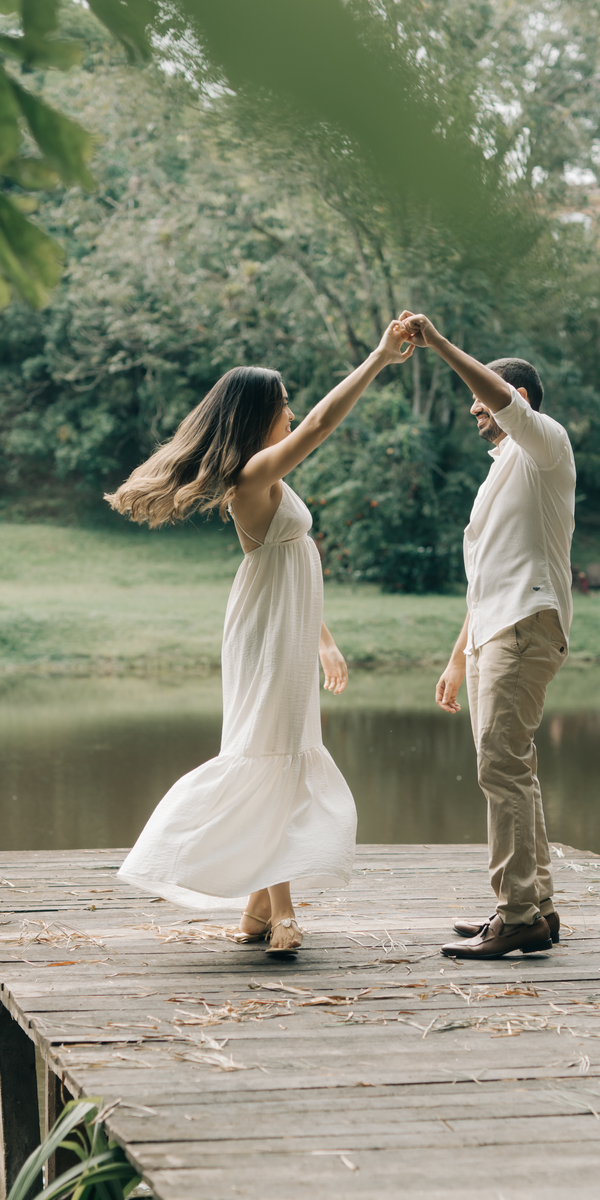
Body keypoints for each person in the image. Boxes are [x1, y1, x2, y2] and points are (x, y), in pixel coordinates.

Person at [107, 324, 414, 954]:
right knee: (270, 755)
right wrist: (379, 358)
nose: (294, 415)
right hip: (265, 634)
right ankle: (282, 913)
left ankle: (256, 910)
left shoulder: (265, 478)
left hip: (287, 629)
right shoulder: (252, 475)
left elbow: (291, 563)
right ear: (259, 416)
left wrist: (323, 638)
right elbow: (323, 425)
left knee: (283, 752)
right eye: (283, 406)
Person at [398, 314, 576, 960]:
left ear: (517, 401)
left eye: (483, 397)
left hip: (526, 626)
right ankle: (538, 906)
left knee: (499, 765)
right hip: (494, 630)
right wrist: (456, 658)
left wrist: (439, 343)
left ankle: (517, 913)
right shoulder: (502, 471)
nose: (474, 409)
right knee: (514, 765)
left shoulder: (544, 446)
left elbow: (496, 394)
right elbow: (487, 578)